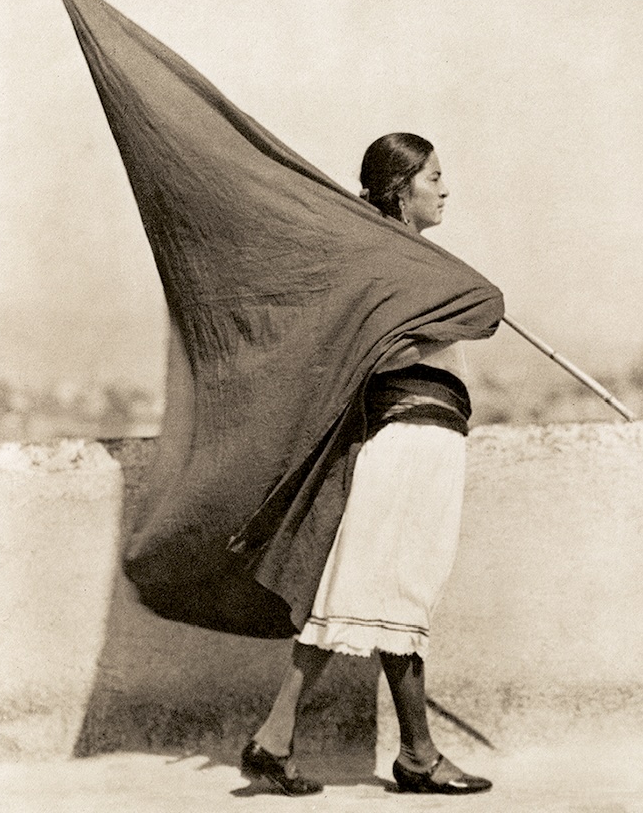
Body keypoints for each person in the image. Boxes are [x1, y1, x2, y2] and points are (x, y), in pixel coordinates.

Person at [240, 133, 493, 797]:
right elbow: (369, 351)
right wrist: (456, 306)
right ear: (400, 188)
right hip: (404, 441)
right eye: (434, 177)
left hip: (421, 440)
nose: (445, 189)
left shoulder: (409, 262)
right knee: (378, 592)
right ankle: (397, 754)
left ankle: (377, 750)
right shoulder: (385, 265)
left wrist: (456, 298)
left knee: (370, 596)